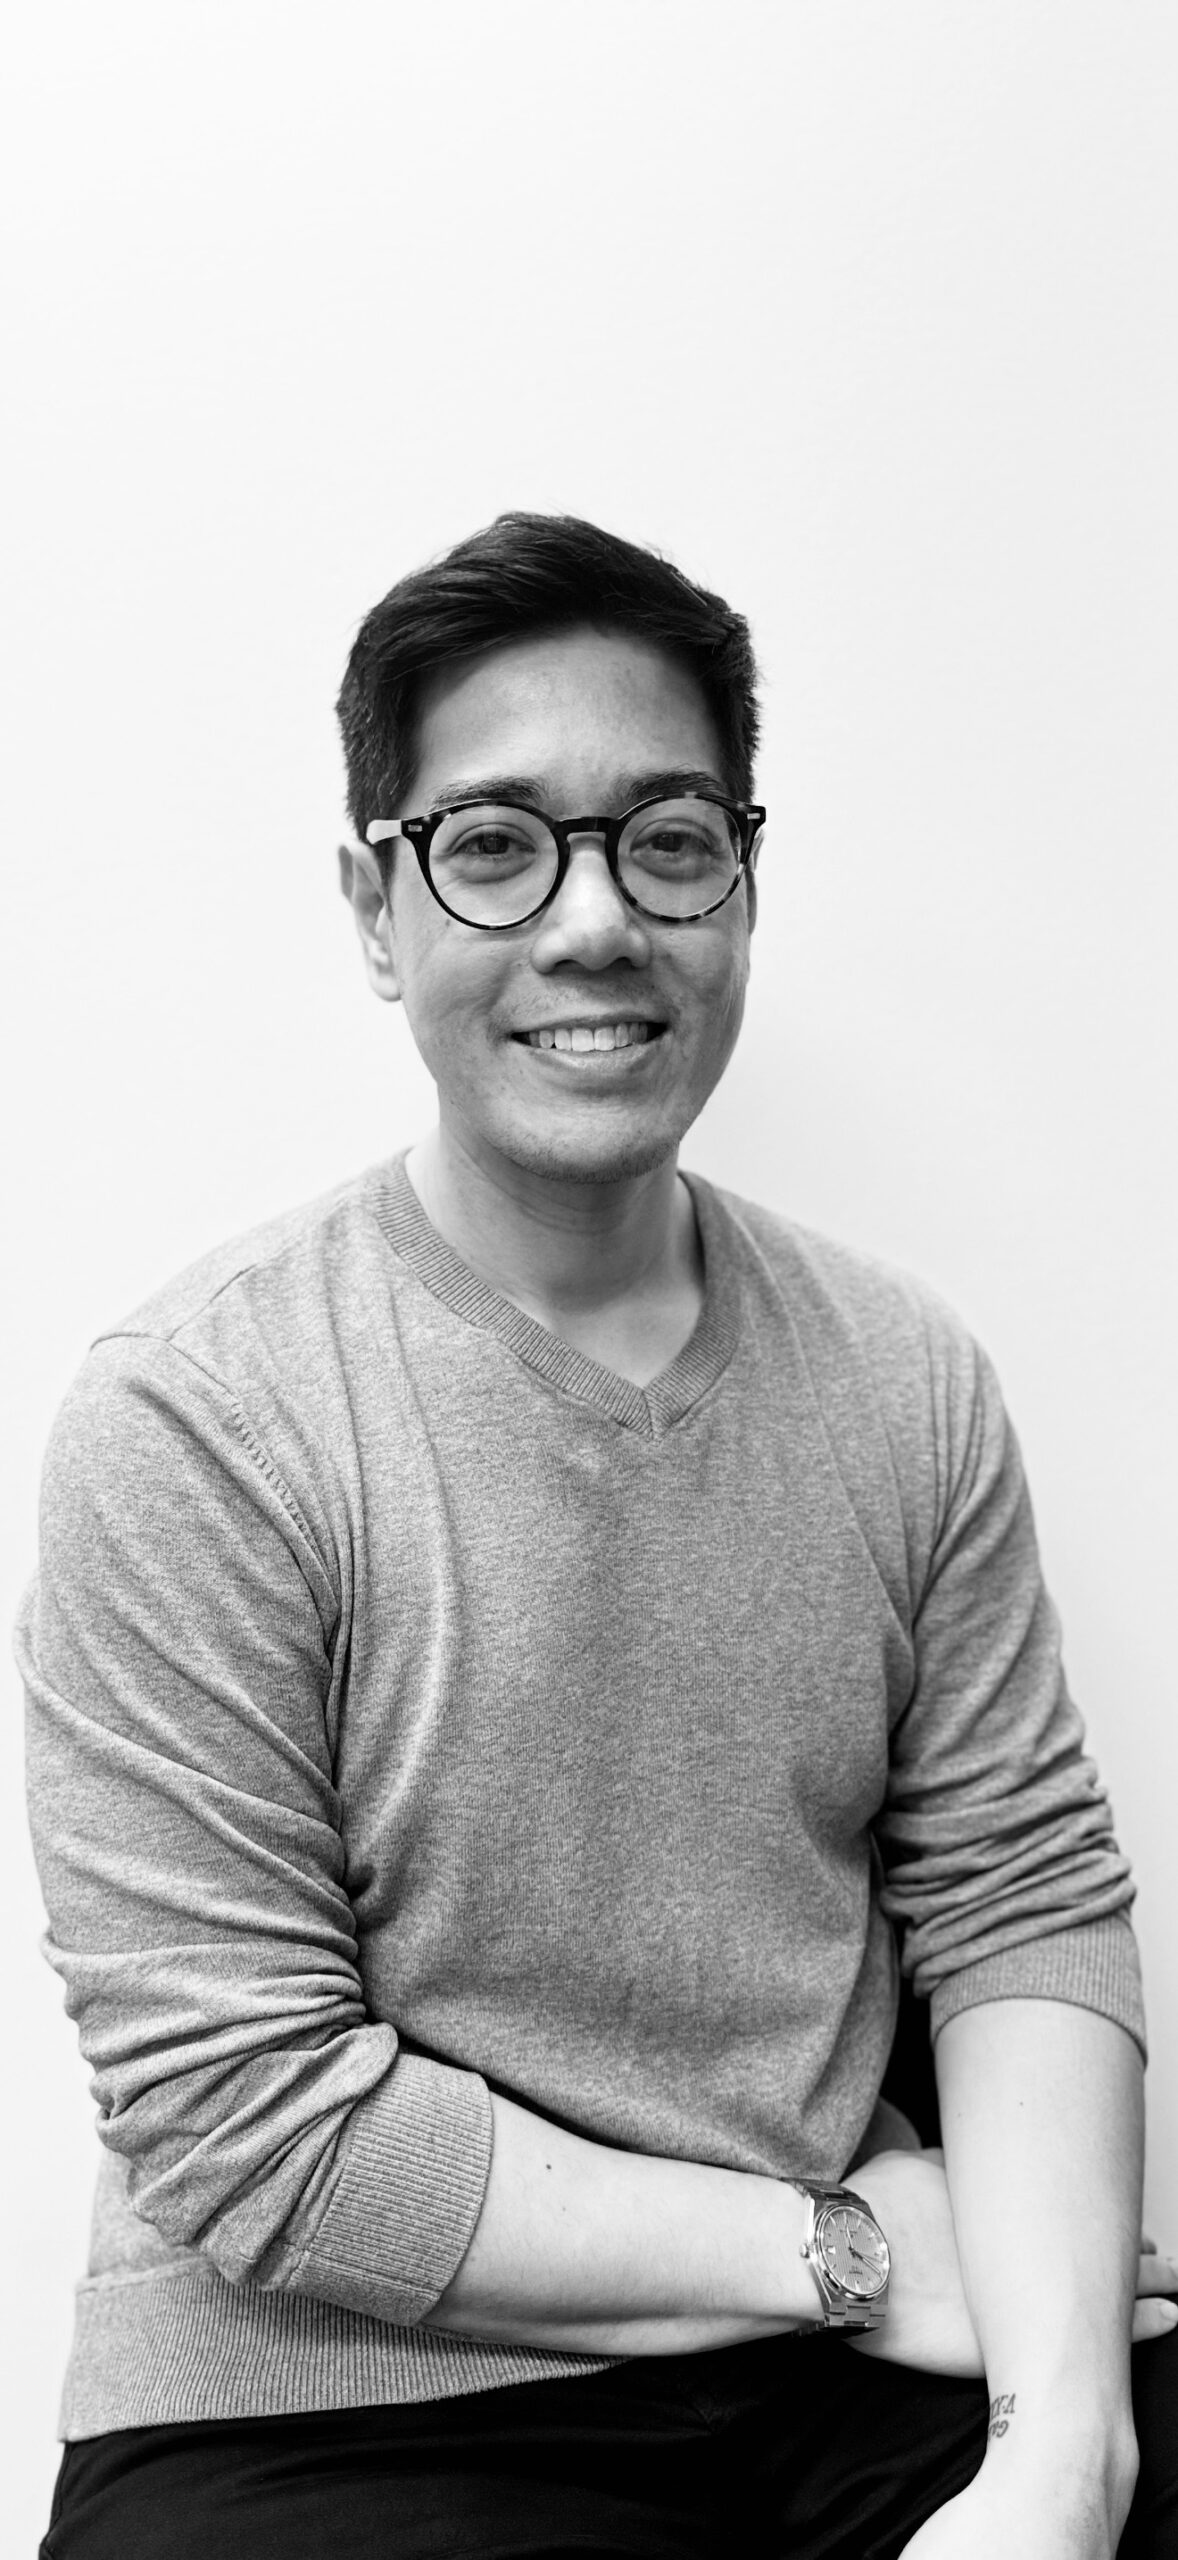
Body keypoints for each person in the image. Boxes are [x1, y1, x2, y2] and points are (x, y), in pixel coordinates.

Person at [19, 513, 1177, 2559]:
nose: (592, 922)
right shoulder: (198, 1408)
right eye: (495, 845)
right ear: (378, 902)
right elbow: (254, 2119)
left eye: (664, 839)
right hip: (336, 2404)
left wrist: (1058, 2447)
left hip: (856, 2378)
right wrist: (828, 2243)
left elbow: (1015, 1894)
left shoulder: (902, 1373)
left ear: (742, 876)